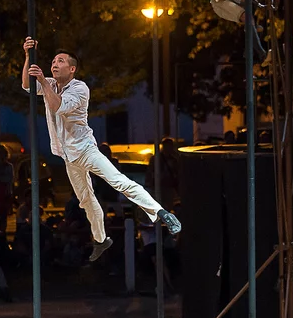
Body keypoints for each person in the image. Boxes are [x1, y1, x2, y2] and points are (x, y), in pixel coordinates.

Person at [22, 38, 181, 262]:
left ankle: (161, 212)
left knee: (118, 181)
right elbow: (27, 86)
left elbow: (57, 107)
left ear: (72, 69)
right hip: (69, 156)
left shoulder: (79, 88)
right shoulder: (50, 84)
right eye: (53, 61)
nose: (54, 64)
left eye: (60, 61)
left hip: (86, 150)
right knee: (86, 200)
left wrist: (42, 81)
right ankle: (101, 239)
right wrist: (28, 56)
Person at [146, 137, 181, 212]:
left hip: (169, 186)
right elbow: (150, 171)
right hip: (158, 186)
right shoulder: (156, 159)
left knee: (168, 205)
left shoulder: (174, 159)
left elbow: (177, 172)